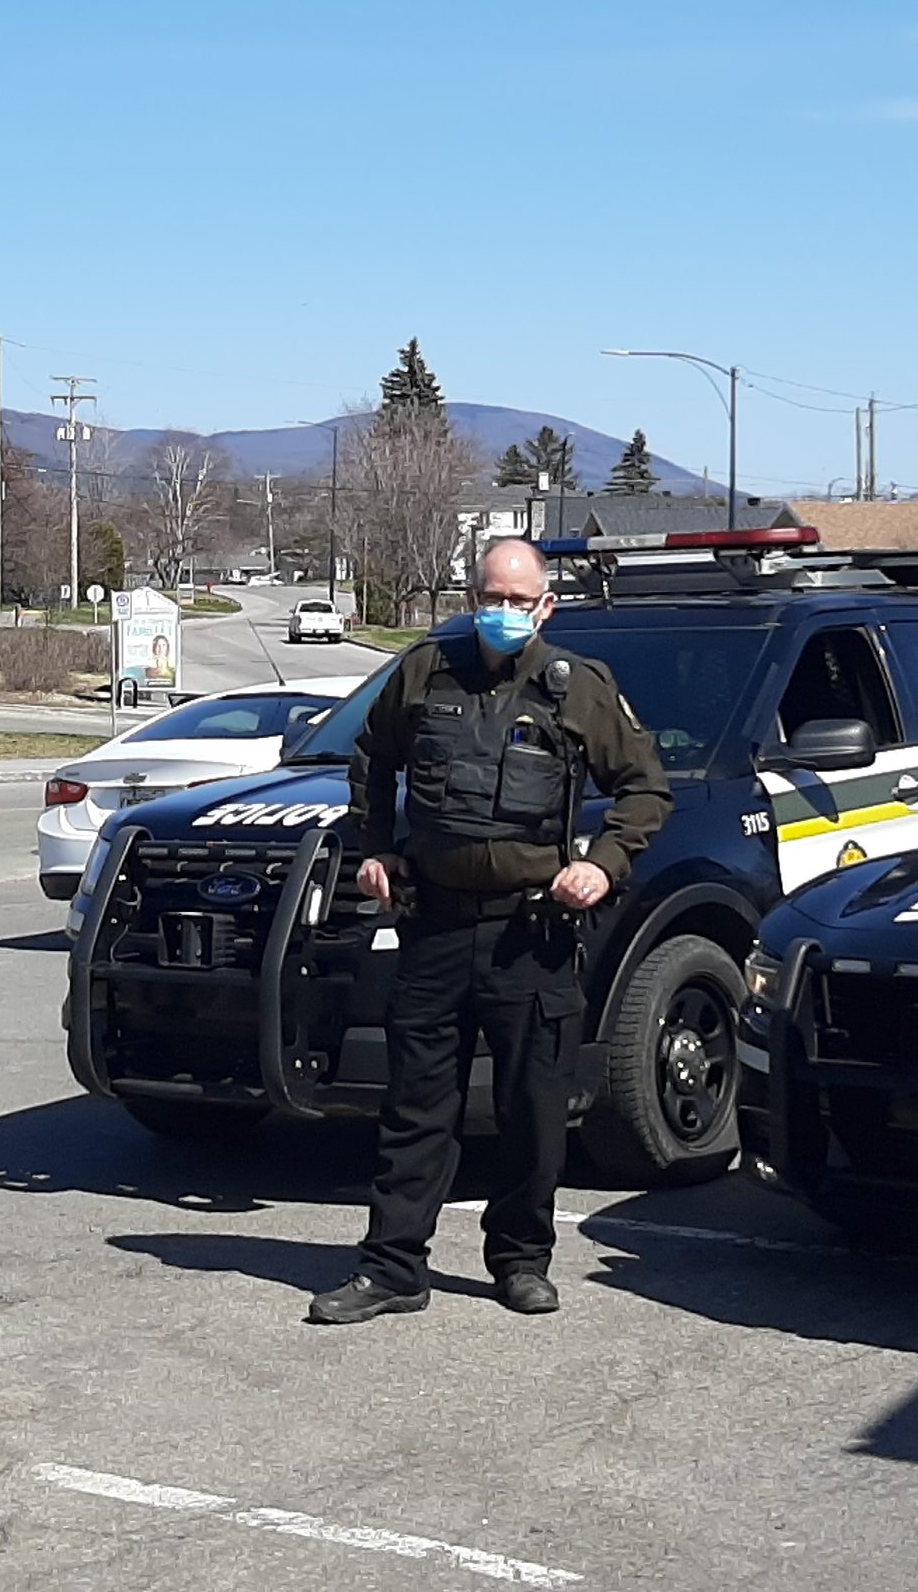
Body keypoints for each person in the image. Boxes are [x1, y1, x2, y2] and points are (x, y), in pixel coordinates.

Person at [307, 538, 672, 1324]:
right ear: (471, 598)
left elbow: (646, 790)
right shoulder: (424, 672)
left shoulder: (578, 687)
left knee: (533, 1111)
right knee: (415, 1108)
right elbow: (372, 757)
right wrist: (375, 848)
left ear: (546, 606)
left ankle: (521, 1260)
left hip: (530, 935)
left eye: (518, 600)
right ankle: (393, 1268)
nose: (503, 612)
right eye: (491, 598)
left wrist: (603, 865)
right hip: (435, 927)